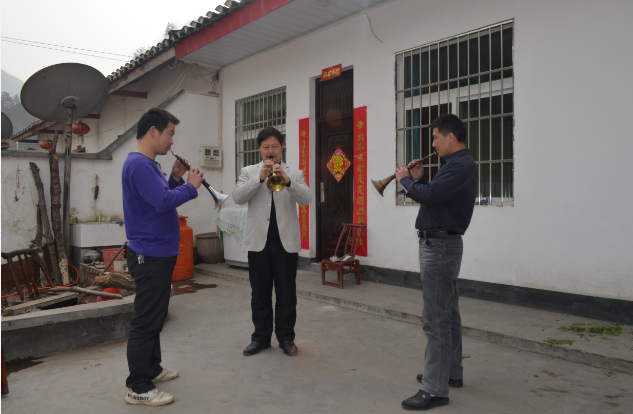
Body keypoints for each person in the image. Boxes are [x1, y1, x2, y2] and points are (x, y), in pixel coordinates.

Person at [395, 114, 478, 411]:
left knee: (436, 319)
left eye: (435, 137)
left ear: (450, 137)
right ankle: (450, 373)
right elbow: (437, 197)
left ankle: (434, 389)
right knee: (448, 313)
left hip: (440, 247)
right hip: (441, 244)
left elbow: (430, 197)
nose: (433, 144)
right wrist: (419, 180)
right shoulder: (454, 165)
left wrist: (405, 180)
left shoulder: (461, 165)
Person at [122, 108, 204, 406]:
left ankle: (152, 368)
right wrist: (190, 187)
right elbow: (162, 202)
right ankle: (138, 386)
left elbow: (159, 199)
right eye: (170, 133)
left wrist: (175, 178)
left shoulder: (148, 165)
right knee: (146, 320)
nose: (172, 141)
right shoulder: (140, 165)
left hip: (157, 252)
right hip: (150, 254)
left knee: (155, 316)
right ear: (153, 131)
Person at [233, 126, 311, 357]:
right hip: (258, 243)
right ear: (259, 148)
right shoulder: (248, 171)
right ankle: (261, 338)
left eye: (274, 146)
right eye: (266, 146)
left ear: (282, 147)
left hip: (285, 244)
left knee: (286, 294)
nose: (270, 151)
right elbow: (238, 197)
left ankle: (286, 338)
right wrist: (260, 178)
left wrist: (287, 180)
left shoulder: (295, 173)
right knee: (259, 294)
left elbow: (306, 199)